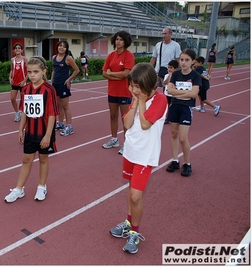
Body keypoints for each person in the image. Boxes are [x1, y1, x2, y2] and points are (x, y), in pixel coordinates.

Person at [109, 63, 167, 254]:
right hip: (131, 152)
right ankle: (127, 222)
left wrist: (141, 101)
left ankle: (135, 232)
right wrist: (134, 102)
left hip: (145, 156)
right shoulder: (135, 98)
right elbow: (126, 124)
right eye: (131, 86)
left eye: (137, 86)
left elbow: (144, 124)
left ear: (149, 85)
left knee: (136, 195)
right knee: (130, 189)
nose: (133, 90)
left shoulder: (160, 100)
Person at [4, 56, 59, 203]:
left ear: (43, 71)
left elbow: (53, 114)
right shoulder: (26, 89)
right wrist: (20, 130)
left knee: (43, 158)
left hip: (44, 131)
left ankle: (42, 186)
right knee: (26, 159)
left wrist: (48, 136)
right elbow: (24, 112)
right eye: (29, 72)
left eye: (36, 71)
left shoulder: (49, 90)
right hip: (30, 131)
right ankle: (19, 188)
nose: (32, 75)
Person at [166, 49, 201, 177]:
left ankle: (187, 164)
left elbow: (193, 94)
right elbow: (169, 90)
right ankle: (175, 160)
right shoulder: (175, 75)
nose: (183, 62)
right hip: (175, 106)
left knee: (183, 138)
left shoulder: (195, 76)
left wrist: (177, 92)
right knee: (174, 134)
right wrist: (185, 93)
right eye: (181, 60)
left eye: (187, 60)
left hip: (186, 108)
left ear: (192, 62)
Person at [101, 30, 135, 155]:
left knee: (125, 118)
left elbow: (126, 73)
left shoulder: (129, 55)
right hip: (112, 91)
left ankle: (127, 142)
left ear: (125, 41)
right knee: (113, 116)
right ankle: (114, 139)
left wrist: (111, 74)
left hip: (125, 92)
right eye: (117, 39)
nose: (118, 41)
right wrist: (115, 76)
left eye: (120, 39)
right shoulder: (111, 55)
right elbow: (104, 73)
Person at [51, 41, 79, 136]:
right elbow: (54, 70)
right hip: (55, 84)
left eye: (64, 46)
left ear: (66, 48)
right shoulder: (54, 57)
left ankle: (69, 127)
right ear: (57, 47)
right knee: (59, 105)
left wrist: (69, 79)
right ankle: (60, 123)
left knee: (65, 106)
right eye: (60, 46)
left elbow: (77, 70)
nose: (61, 48)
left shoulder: (68, 58)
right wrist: (51, 81)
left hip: (63, 84)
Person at [9, 43, 28, 122]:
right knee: (12, 98)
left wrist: (24, 81)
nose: (17, 49)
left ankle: (24, 114)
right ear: (13, 50)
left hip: (22, 82)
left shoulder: (25, 59)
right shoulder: (12, 60)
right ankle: (17, 113)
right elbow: (12, 70)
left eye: (19, 48)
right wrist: (10, 78)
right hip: (15, 82)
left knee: (23, 99)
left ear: (22, 50)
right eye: (16, 48)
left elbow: (29, 71)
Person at [163, 60, 179, 124]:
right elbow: (165, 82)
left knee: (173, 107)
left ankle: (174, 117)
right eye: (168, 67)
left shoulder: (177, 76)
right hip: (166, 94)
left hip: (173, 94)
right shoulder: (167, 75)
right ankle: (166, 118)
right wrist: (169, 75)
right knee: (167, 106)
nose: (169, 69)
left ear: (176, 69)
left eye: (171, 68)